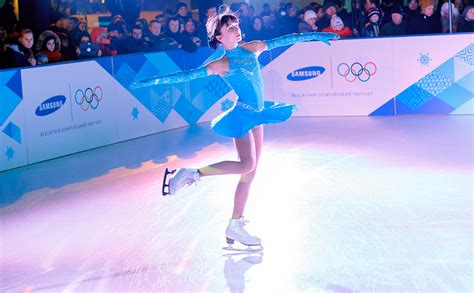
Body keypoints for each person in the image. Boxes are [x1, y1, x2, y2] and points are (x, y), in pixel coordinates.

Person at [131, 6, 339, 249]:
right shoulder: (222, 64)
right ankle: (191, 174)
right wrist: (151, 81)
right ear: (219, 37)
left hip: (258, 114)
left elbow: (286, 39)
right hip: (241, 117)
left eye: (237, 25)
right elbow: (186, 76)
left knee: (250, 173)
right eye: (230, 28)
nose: (237, 29)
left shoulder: (253, 48)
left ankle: (235, 224)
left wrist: (316, 36)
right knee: (247, 164)